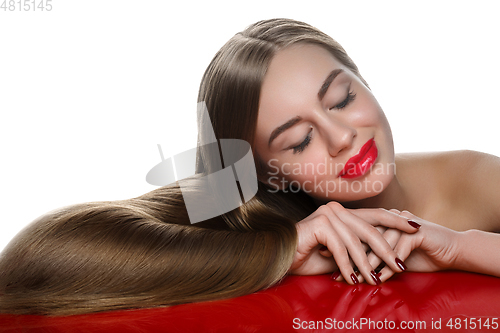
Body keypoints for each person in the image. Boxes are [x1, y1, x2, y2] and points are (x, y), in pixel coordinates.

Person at [0, 18, 499, 316]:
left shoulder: (472, 176)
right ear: (260, 170)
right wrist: (285, 247)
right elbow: (33, 259)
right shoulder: (255, 207)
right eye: (300, 140)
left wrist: (457, 246)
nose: (341, 137)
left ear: (363, 80)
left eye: (343, 98)